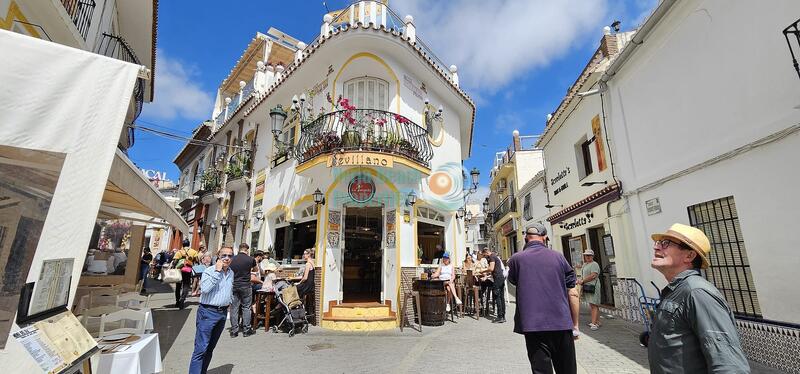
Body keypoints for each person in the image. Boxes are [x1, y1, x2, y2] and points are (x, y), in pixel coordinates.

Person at [646, 223, 749, 373]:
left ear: (689, 255)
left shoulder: (697, 292)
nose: (657, 247)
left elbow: (729, 364)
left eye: (666, 243)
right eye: (659, 242)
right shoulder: (677, 290)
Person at [508, 223, 578, 373]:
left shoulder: (516, 259)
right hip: (561, 323)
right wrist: (575, 324)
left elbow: (513, 280)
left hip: (533, 325)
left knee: (541, 370)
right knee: (567, 369)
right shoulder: (558, 257)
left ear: (526, 238)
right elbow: (572, 289)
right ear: (545, 237)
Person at [188, 246, 234, 374]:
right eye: (224, 255)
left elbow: (228, 289)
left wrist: (229, 303)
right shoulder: (209, 271)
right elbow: (206, 289)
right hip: (208, 312)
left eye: (230, 256)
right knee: (201, 349)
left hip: (222, 313)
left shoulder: (231, 272)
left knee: (210, 348)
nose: (227, 258)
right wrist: (217, 272)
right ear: (218, 256)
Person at [229, 243, 256, 337]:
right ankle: (246, 329)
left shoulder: (232, 259)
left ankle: (234, 331)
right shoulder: (250, 259)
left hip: (234, 285)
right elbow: (255, 269)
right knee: (246, 307)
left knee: (234, 308)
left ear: (239, 249)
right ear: (247, 250)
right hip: (246, 285)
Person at [578, 249, 601, 330]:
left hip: (593, 286)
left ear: (592, 256)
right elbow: (583, 274)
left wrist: (583, 281)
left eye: (589, 255)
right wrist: (580, 280)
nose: (587, 257)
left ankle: (594, 324)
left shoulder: (594, 264)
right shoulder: (585, 264)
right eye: (586, 255)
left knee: (594, 304)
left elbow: (593, 275)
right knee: (592, 304)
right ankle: (597, 322)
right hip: (587, 286)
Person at [481, 247, 506, 323]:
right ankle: (503, 316)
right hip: (500, 278)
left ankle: (500, 316)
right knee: (501, 297)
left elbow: (491, 268)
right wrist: (487, 276)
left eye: (484, 255)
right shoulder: (494, 256)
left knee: (497, 296)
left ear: (486, 252)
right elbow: (494, 270)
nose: (485, 257)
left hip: (498, 279)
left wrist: (483, 270)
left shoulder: (491, 256)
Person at [172, 240, 195, 309]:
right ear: (189, 244)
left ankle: (177, 301)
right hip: (188, 270)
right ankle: (182, 299)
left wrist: (173, 268)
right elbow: (196, 260)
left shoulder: (179, 252)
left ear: (183, 245)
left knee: (178, 286)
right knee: (186, 285)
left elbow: (175, 262)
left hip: (179, 270)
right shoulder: (193, 252)